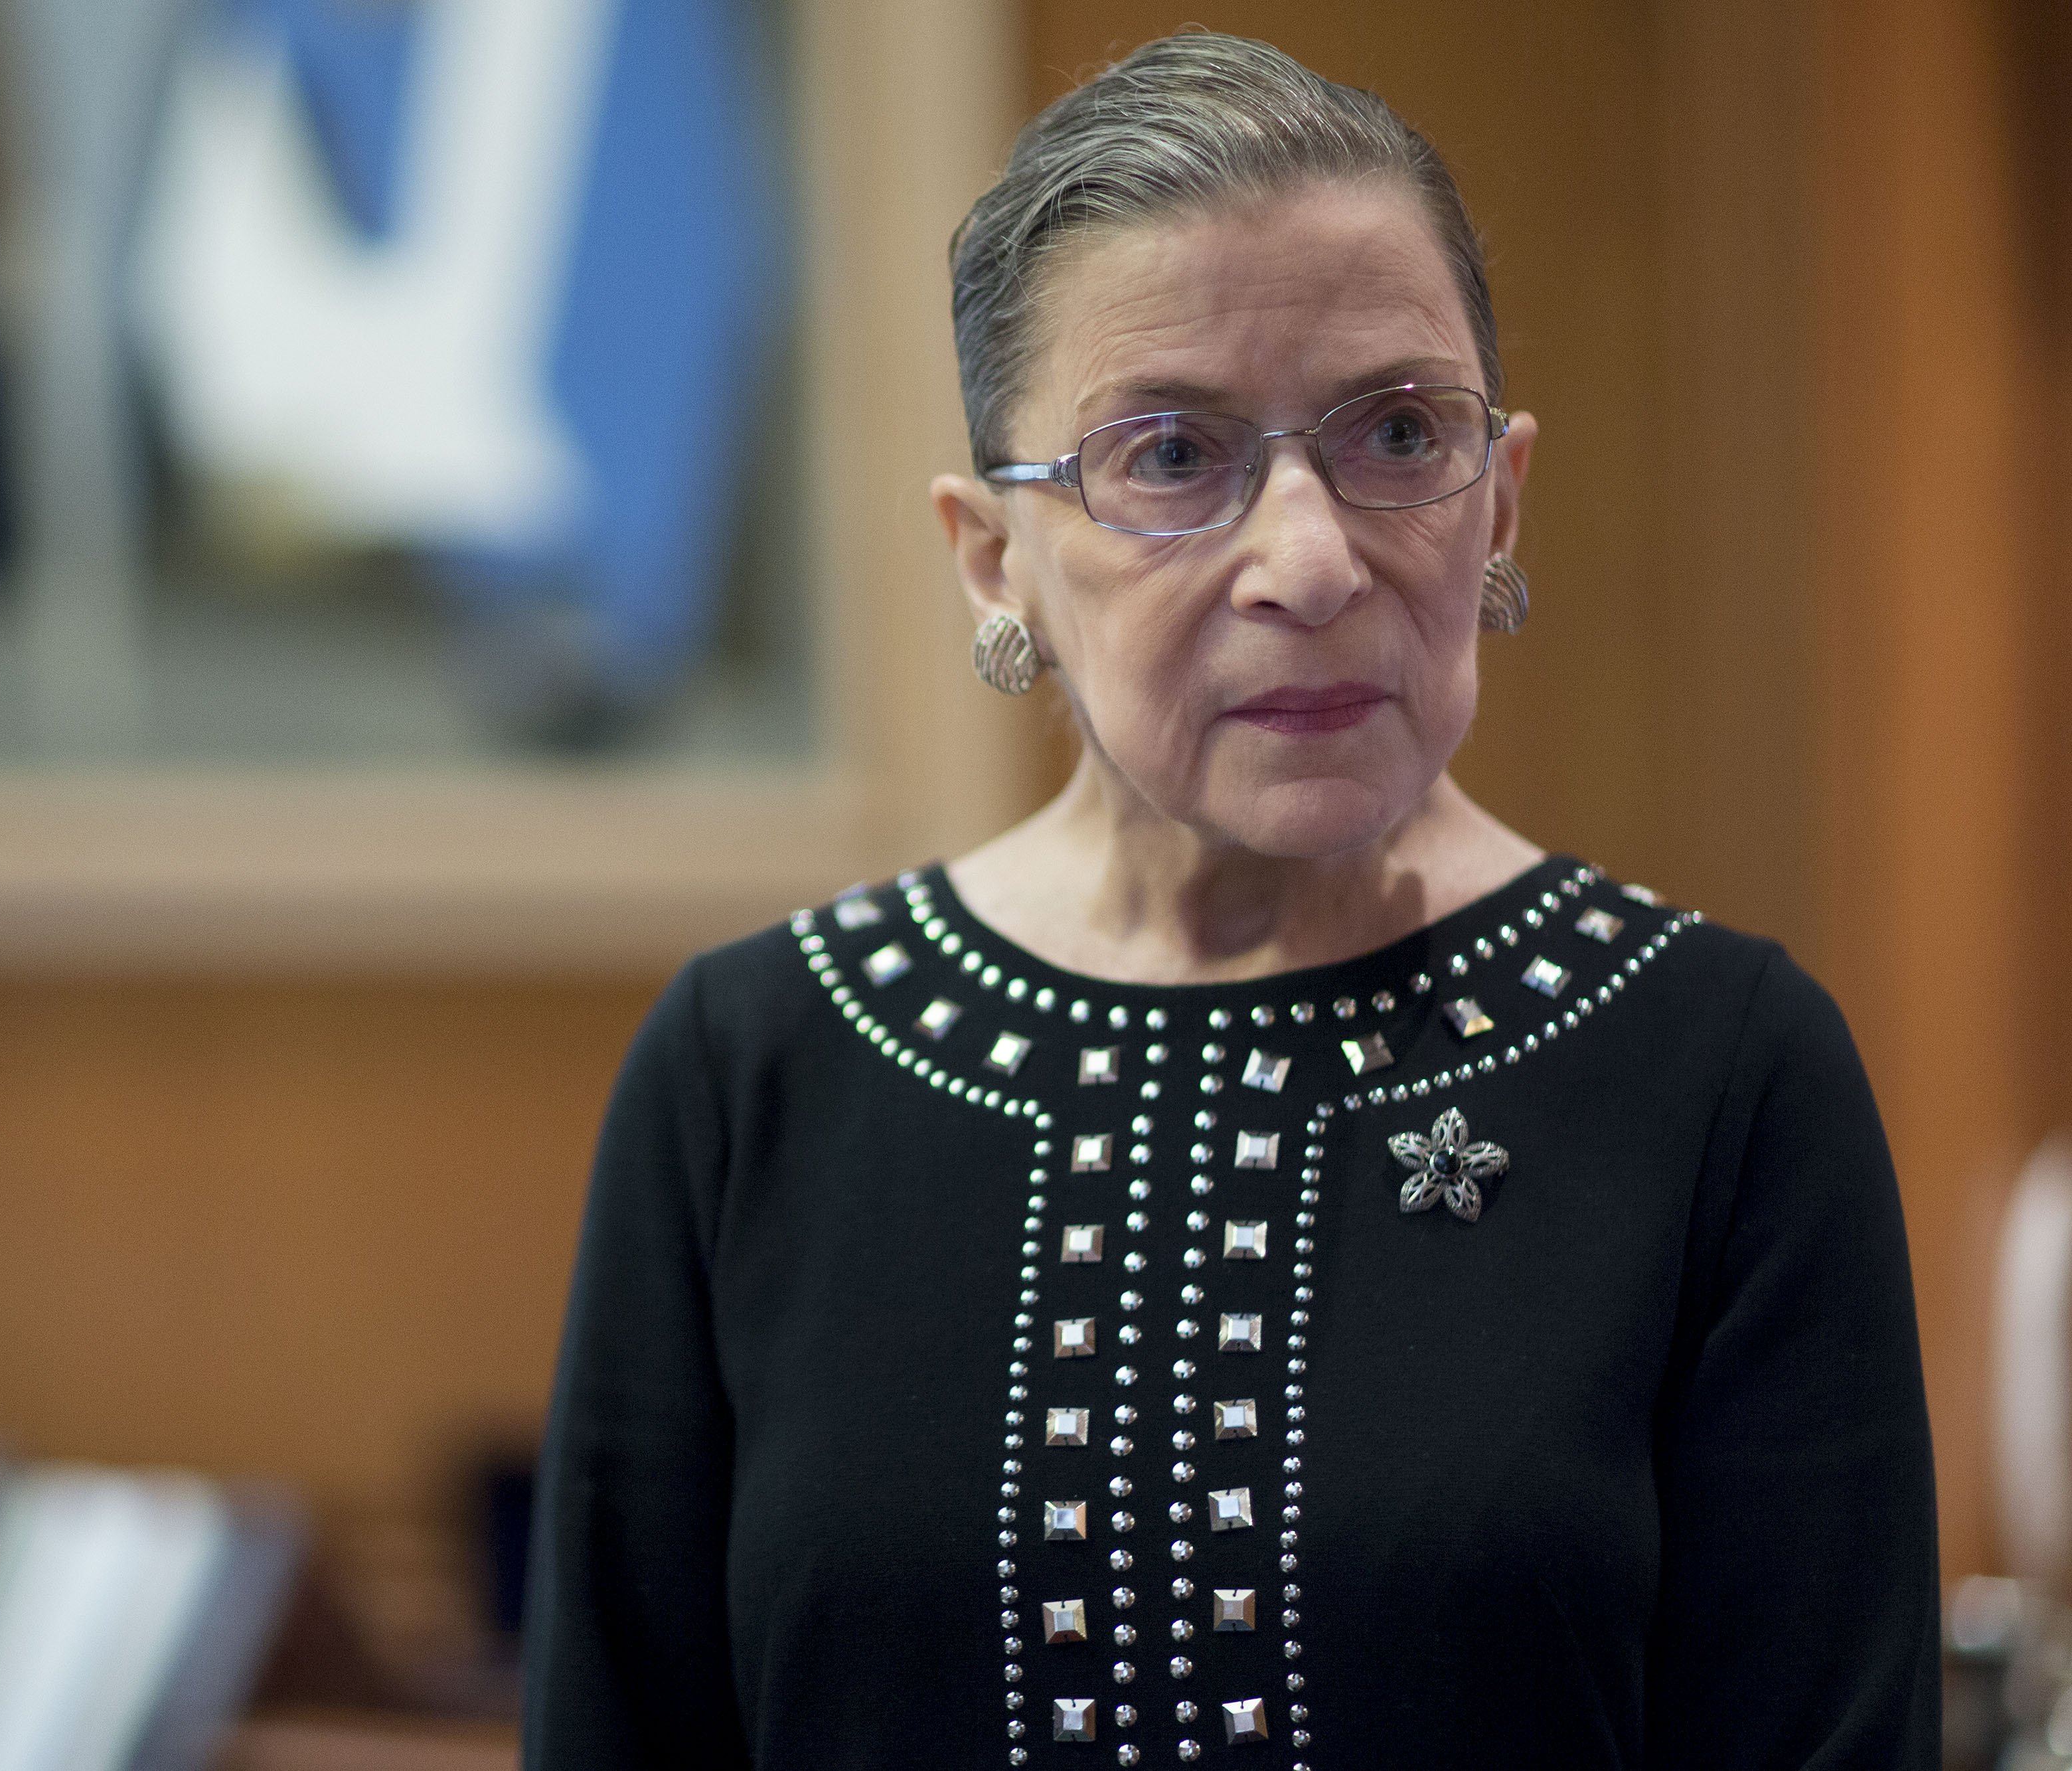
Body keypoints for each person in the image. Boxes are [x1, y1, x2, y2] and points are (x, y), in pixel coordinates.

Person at [522, 29, 1939, 1770]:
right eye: (1175, 457)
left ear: (1500, 504)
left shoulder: (1721, 1070)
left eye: (1399, 431)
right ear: (997, 556)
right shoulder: (751, 1071)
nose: (1314, 558)